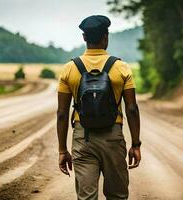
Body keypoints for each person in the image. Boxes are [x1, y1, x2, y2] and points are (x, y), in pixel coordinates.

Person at [57, 15, 141, 200]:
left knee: (86, 197)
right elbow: (132, 108)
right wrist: (135, 144)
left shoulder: (69, 69)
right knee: (117, 195)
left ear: (84, 38)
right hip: (113, 136)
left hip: (83, 138)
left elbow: (62, 114)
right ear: (106, 37)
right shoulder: (122, 68)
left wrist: (63, 150)